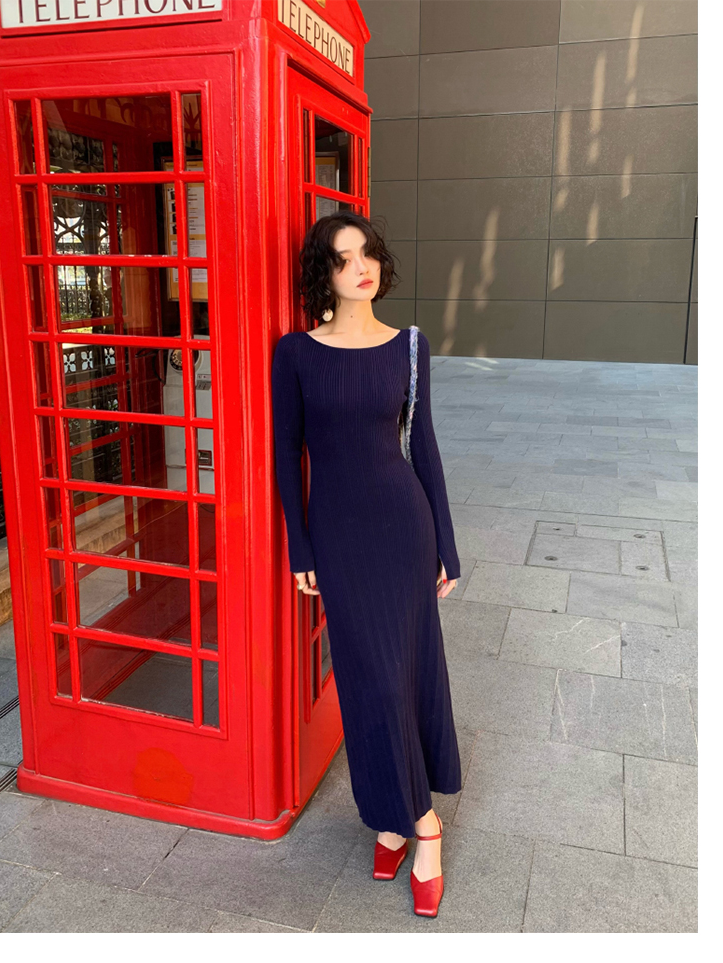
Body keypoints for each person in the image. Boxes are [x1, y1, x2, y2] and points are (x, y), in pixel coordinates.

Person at [271, 211, 462, 918]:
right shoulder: (296, 353)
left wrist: (447, 545)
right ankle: (399, 815)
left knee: (404, 675)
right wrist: (300, 546)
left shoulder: (409, 346)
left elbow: (424, 447)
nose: (361, 267)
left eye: (368, 253)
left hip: (403, 528)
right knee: (367, 684)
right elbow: (286, 453)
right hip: (340, 538)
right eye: (344, 258)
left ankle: (416, 827)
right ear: (323, 273)